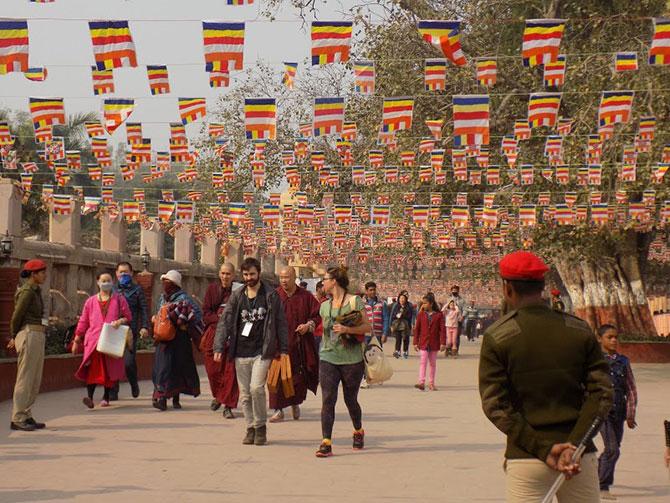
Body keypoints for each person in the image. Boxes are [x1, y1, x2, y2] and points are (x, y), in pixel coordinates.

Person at [478, 250, 613, 503]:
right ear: (543, 286)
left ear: (508, 289)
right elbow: (602, 395)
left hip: (527, 456)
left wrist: (545, 449)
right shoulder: (578, 330)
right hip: (579, 456)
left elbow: (495, 406)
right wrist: (574, 446)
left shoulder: (498, 336)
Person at [213, 257, 288, 446]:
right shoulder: (237, 296)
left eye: (252, 274)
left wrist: (284, 348)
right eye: (245, 275)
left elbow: (280, 322)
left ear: (259, 273)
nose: (249, 278)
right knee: (245, 394)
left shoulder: (270, 295)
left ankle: (261, 426)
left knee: (256, 388)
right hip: (240, 351)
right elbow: (225, 321)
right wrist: (219, 346)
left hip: (262, 351)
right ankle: (250, 427)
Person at [315, 266, 371, 457]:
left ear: (335, 281)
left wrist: (348, 330)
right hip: (328, 357)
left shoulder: (355, 301)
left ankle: (358, 430)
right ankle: (326, 442)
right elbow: (323, 332)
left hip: (351, 359)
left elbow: (367, 327)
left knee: (350, 400)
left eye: (325, 279)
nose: (322, 282)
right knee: (328, 399)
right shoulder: (323, 306)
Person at [72, 272, 132, 409]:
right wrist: (77, 338)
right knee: (93, 370)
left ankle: (106, 397)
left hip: (110, 340)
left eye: (109, 280)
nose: (106, 283)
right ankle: (90, 397)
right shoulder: (90, 301)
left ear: (113, 282)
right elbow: (83, 320)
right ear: (98, 282)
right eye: (103, 280)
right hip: (94, 340)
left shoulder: (119, 299)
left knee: (108, 370)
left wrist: (119, 321)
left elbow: (128, 316)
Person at [269, 266, 320, 423]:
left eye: (287, 277)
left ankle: (295, 403)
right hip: (278, 346)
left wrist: (308, 326)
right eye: (281, 278)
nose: (284, 281)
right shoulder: (274, 296)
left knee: (298, 379)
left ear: (294, 278)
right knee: (276, 378)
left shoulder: (305, 296)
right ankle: (278, 410)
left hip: (299, 346)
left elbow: (317, 316)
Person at [596, 324, 637, 501]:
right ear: (600, 339)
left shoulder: (623, 361)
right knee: (612, 450)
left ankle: (596, 473)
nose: (613, 340)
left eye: (615, 337)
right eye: (609, 337)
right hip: (602, 412)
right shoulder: (595, 361)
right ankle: (602, 485)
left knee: (613, 449)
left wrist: (630, 413)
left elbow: (631, 388)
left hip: (619, 412)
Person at [151, 270, 202, 411]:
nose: (165, 285)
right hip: (164, 340)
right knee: (162, 368)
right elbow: (158, 313)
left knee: (178, 369)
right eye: (164, 282)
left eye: (168, 282)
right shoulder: (162, 298)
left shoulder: (185, 299)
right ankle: (161, 398)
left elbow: (197, 314)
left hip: (180, 340)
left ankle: (175, 398)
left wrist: (185, 322)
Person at [8, 259, 48, 431]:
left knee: (34, 378)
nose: (45, 275)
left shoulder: (36, 290)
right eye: (42, 272)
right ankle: (17, 417)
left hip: (37, 333)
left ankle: (26, 414)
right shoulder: (27, 291)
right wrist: (13, 335)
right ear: (33, 274)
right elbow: (17, 316)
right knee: (25, 378)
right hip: (28, 333)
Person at [201, 263, 238, 419]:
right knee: (213, 370)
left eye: (228, 274)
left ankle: (228, 405)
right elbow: (206, 313)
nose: (225, 277)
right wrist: (220, 319)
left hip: (232, 336)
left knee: (230, 372)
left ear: (234, 275)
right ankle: (218, 395)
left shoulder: (239, 291)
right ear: (219, 274)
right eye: (222, 273)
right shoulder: (212, 290)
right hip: (214, 334)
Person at [110, 261, 149, 400]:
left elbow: (144, 309)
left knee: (128, 362)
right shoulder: (112, 290)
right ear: (116, 274)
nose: (123, 274)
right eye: (121, 272)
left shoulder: (137, 290)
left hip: (129, 332)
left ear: (131, 273)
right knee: (113, 361)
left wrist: (144, 326)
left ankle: (133, 383)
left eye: (126, 272)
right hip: (114, 330)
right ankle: (113, 391)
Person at [413, 294, 446, 391]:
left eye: (425, 303)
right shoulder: (420, 315)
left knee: (432, 363)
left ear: (431, 304)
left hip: (434, 343)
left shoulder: (439, 315)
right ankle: (421, 382)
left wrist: (443, 342)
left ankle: (431, 383)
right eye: (422, 303)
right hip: (423, 342)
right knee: (423, 362)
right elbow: (417, 329)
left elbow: (442, 330)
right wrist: (415, 342)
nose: (423, 305)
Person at [361, 281, 389, 388]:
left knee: (376, 357)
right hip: (365, 334)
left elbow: (385, 318)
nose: (373, 292)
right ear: (366, 291)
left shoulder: (382, 304)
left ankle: (376, 377)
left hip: (377, 334)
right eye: (370, 290)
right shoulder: (362, 304)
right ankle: (365, 378)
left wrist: (385, 333)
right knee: (364, 357)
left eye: (374, 289)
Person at [390, 292, 414, 359]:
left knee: (405, 338)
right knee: (398, 338)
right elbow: (392, 315)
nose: (402, 300)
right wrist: (391, 325)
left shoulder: (409, 307)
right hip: (397, 325)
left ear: (406, 299)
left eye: (403, 298)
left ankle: (405, 351)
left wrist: (403, 315)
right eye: (400, 298)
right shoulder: (396, 306)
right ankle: (397, 351)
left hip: (405, 325)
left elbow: (410, 316)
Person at [448, 285, 467, 355]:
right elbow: (446, 308)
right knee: (449, 335)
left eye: (455, 290)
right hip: (450, 320)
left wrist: (463, 316)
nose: (454, 292)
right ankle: (449, 349)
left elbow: (465, 309)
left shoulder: (462, 300)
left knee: (457, 335)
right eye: (453, 290)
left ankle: (456, 350)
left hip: (458, 320)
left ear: (458, 291)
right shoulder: (449, 299)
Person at [313, 279, 329, 349]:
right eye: (324, 287)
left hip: (324, 334)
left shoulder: (327, 301)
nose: (326, 289)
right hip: (314, 333)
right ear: (318, 288)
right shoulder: (312, 300)